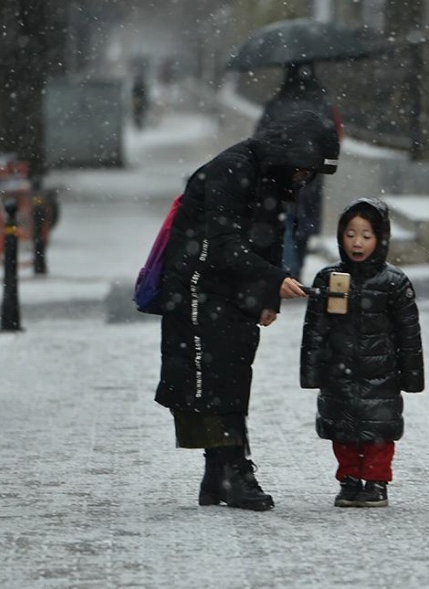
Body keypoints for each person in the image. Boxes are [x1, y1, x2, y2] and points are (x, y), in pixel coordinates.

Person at [154, 109, 340, 511]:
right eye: (305, 171)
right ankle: (232, 472)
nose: (303, 180)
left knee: (233, 375)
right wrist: (271, 279)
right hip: (198, 287)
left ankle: (221, 475)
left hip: (231, 290)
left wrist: (266, 297)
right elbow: (224, 242)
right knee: (215, 380)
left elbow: (269, 235)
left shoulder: (273, 174)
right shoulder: (232, 169)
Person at [300, 197, 425, 508]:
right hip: (338, 372)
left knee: (378, 433)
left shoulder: (394, 283)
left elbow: (409, 334)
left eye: (366, 236)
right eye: (350, 234)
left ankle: (376, 481)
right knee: (342, 431)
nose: (357, 243)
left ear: (380, 239)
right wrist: (311, 371)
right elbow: (314, 331)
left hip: (381, 373)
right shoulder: (329, 279)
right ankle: (350, 479)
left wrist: (411, 375)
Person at [256, 62, 343, 281]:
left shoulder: (276, 104)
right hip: (311, 174)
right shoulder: (322, 104)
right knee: (304, 224)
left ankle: (288, 270)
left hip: (281, 174)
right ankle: (296, 268)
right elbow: (334, 138)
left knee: (285, 221)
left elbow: (260, 137)